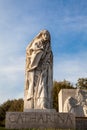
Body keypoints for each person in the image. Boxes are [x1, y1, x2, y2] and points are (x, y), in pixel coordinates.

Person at [25, 30, 53, 109]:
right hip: (35, 68)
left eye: (48, 35)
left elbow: (49, 57)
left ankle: (42, 104)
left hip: (44, 69)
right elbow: (33, 50)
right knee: (33, 87)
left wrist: (46, 62)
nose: (46, 36)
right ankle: (32, 105)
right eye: (45, 34)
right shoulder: (37, 42)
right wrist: (41, 52)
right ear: (42, 35)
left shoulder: (48, 46)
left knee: (43, 85)